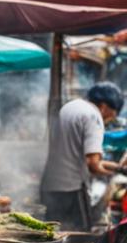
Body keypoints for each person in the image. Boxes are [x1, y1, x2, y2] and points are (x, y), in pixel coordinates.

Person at [41, 82, 123, 231]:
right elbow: (93, 165)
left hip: (50, 186)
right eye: (112, 115)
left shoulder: (70, 107)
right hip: (72, 189)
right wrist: (112, 176)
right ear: (104, 106)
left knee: (54, 233)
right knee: (79, 238)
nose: (109, 120)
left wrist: (118, 168)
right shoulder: (94, 116)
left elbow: (75, 154)